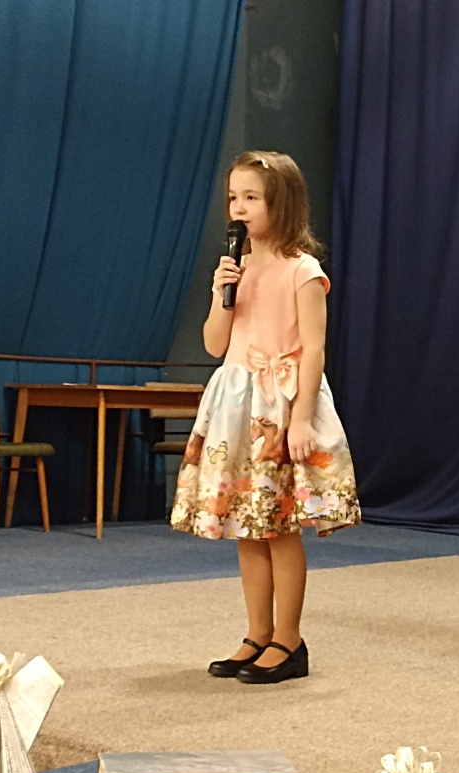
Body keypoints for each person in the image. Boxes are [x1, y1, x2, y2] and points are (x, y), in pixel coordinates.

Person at [171, 151, 361, 684]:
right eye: (233, 197)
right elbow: (214, 344)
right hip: (237, 405)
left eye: (251, 197)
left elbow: (314, 350)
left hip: (280, 405)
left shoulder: (303, 271)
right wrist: (221, 294)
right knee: (247, 527)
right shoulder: (236, 268)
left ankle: (289, 639)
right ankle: (257, 633)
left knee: (279, 527)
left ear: (282, 202)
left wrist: (300, 420)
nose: (239, 207)